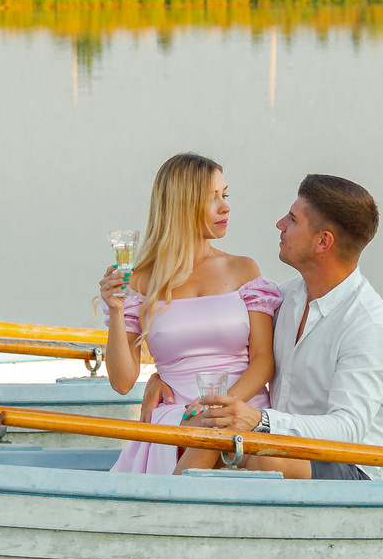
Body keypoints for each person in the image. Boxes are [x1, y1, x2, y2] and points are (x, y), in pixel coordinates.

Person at [185, 173, 383, 480]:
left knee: (260, 461)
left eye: (292, 219)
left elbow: (348, 430)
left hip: (354, 470)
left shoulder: (369, 326)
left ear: (323, 242)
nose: (280, 225)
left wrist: (261, 421)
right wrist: (160, 377)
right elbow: (228, 348)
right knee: (205, 434)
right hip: (282, 450)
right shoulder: (284, 297)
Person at [96, 153, 280, 475]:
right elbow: (123, 382)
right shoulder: (140, 281)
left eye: (225, 195)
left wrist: (222, 406)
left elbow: (263, 361)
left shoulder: (244, 270)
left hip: (242, 410)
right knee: (202, 432)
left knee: (215, 429)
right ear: (182, 205)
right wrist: (115, 309)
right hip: (178, 421)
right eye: (212, 199)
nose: (226, 207)